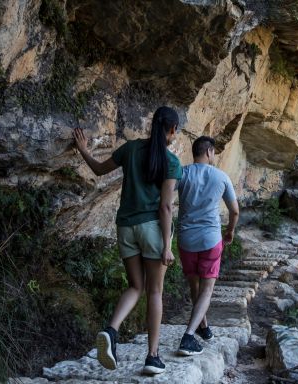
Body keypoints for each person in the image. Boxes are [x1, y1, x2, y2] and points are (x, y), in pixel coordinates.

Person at [73, 106, 182, 374]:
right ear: (171, 131)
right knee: (155, 291)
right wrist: (167, 246)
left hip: (125, 228)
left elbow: (99, 170)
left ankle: (111, 331)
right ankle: (152, 356)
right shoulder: (171, 162)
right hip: (152, 230)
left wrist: (83, 149)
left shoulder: (131, 149)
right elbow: (166, 208)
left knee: (135, 287)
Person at [175, 136, 239, 356]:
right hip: (211, 239)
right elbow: (235, 210)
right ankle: (189, 336)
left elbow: (163, 198)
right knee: (207, 290)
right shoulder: (221, 176)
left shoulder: (182, 173)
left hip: (186, 239)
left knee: (195, 287)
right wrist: (230, 230)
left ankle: (204, 327)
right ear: (210, 151)